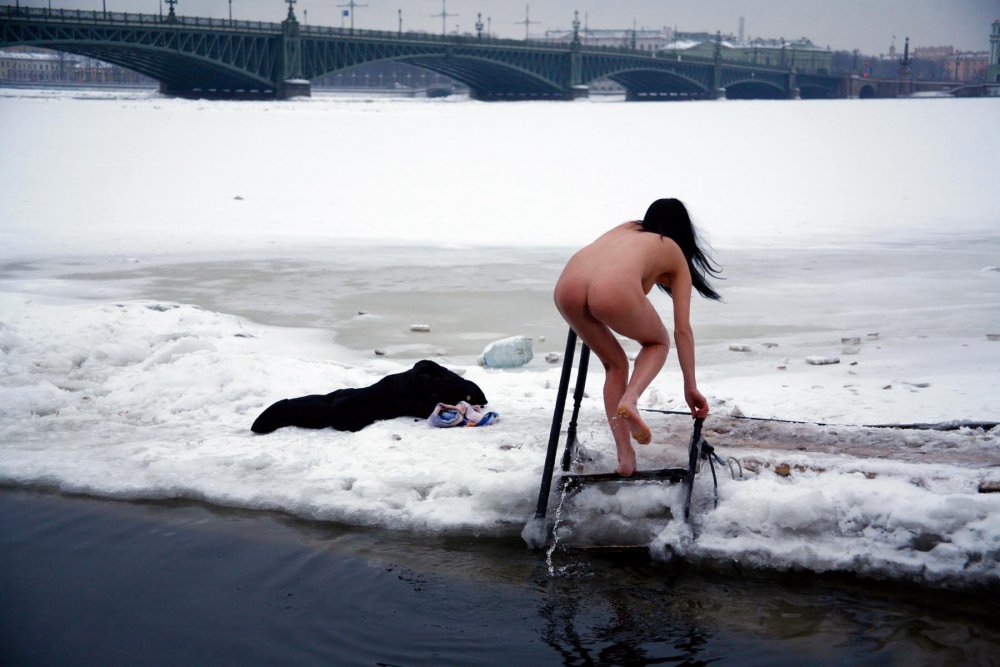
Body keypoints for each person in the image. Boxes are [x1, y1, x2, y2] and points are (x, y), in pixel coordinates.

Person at [553, 198, 722, 476]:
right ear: (683, 230)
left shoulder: (626, 229)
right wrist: (690, 386)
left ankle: (625, 457)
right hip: (612, 288)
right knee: (658, 342)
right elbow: (682, 330)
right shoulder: (674, 251)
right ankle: (630, 399)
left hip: (566, 286)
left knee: (615, 365)